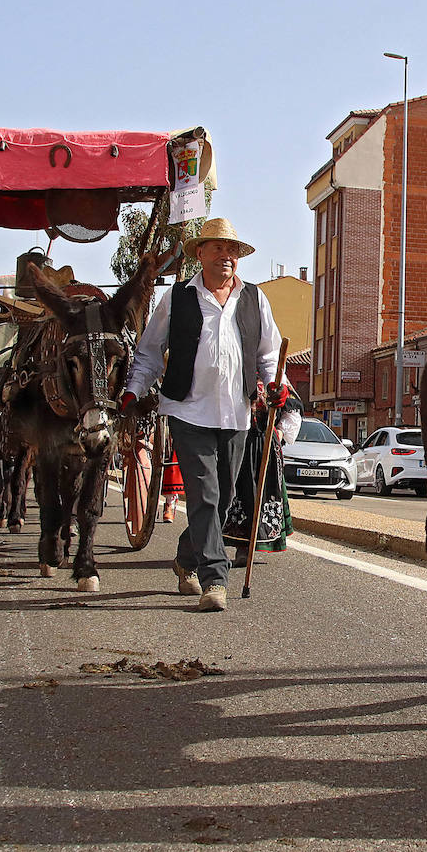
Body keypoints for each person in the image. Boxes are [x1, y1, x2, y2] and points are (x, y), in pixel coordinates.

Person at [121, 217, 284, 612]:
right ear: (200, 253)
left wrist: (278, 388)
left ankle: (185, 558)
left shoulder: (254, 299)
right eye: (217, 248)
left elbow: (268, 355)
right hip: (188, 409)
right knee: (205, 494)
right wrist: (132, 391)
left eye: (232, 251)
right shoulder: (176, 299)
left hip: (237, 414)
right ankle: (215, 579)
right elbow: (148, 352)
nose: (226, 257)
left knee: (223, 500)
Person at [223, 380, 303, 566]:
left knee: (263, 494)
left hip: (265, 445)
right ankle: (238, 546)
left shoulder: (275, 376)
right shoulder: (237, 371)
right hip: (237, 439)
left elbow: (291, 411)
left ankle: (251, 546)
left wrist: (277, 435)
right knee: (238, 493)